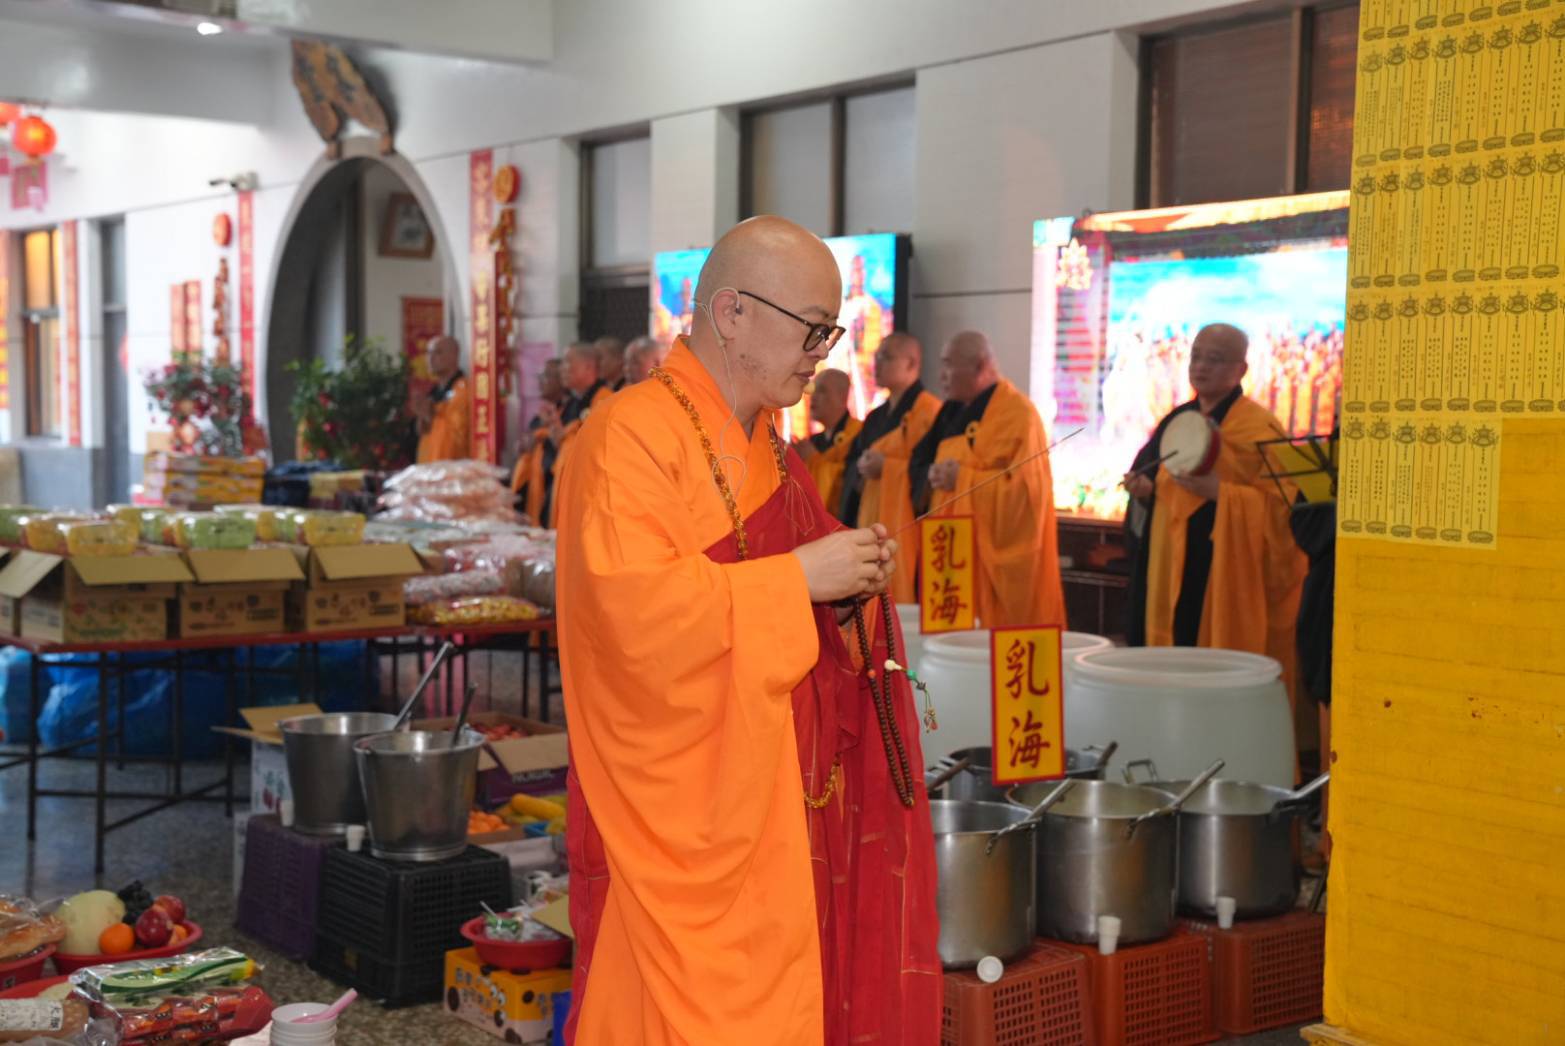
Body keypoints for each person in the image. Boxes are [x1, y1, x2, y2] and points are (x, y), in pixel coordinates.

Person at [556, 215, 940, 1045]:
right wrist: (798, 580)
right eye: (812, 328)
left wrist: (847, 591)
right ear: (731, 312)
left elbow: (800, 607)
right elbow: (632, 622)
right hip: (674, 818)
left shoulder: (770, 446)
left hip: (775, 797)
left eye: (830, 332)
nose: (822, 353)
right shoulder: (625, 437)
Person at [1123, 323, 1306, 693]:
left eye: (1215, 359)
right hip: (1170, 564)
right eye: (1196, 357)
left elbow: (1286, 508)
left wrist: (1224, 495)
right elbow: (1151, 480)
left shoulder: (1259, 427)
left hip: (1223, 568)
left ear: (1241, 369)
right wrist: (1142, 491)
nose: (1201, 366)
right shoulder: (1177, 421)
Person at [909, 331, 1065, 628]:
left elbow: (1024, 496)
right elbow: (920, 463)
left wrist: (963, 478)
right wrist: (932, 475)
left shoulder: (1019, 415)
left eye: (948, 365)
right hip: (952, 555)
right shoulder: (951, 411)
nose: (941, 375)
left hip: (996, 569)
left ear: (980, 366)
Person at [840, 332, 941, 603]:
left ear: (911, 363)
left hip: (909, 533)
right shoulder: (875, 418)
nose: (877, 364)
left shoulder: (930, 412)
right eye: (876, 357)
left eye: (886, 357)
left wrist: (889, 468)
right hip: (873, 523)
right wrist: (861, 469)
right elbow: (852, 468)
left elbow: (930, 474)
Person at [793, 368, 861, 521]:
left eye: (822, 391)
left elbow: (849, 482)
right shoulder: (813, 442)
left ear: (842, 397)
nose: (813, 397)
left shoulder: (859, 434)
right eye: (813, 390)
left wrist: (813, 460)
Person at [510, 359, 564, 521]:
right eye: (539, 376)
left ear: (561, 380)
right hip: (532, 490)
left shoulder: (568, 413)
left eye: (545, 376)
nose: (540, 382)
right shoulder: (543, 414)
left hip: (552, 487)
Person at [413, 335, 470, 462]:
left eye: (437, 352)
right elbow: (423, 433)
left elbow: (459, 435)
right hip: (432, 465)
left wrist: (433, 417)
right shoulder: (433, 392)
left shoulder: (464, 390)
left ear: (454, 356)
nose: (430, 358)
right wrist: (422, 417)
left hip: (454, 466)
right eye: (428, 353)